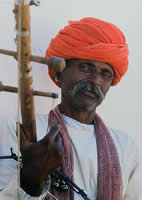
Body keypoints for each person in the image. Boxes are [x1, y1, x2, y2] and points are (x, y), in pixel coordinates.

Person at [0, 17, 142, 200]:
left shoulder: (126, 146)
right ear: (59, 73)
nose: (96, 80)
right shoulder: (22, 132)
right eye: (85, 67)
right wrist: (31, 182)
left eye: (105, 73)